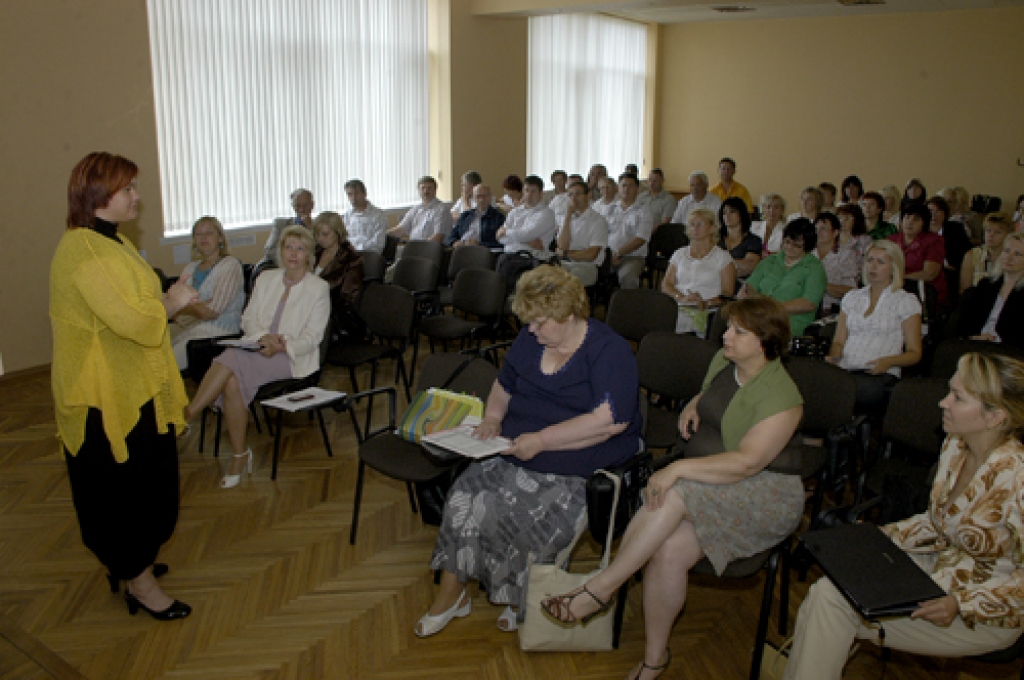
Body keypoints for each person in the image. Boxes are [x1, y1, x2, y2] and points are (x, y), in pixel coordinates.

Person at [541, 297, 805, 680]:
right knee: (667, 551)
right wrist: (694, 404)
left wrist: (679, 467)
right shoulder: (726, 361)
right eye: (728, 327)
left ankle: (601, 588)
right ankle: (655, 658)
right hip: (717, 482)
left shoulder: (783, 398)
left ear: (765, 341)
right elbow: (713, 391)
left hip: (765, 494)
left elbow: (748, 462)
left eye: (737, 332)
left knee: (674, 489)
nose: (725, 336)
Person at [416, 265, 642, 636]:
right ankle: (452, 596)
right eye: (529, 323)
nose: (531, 331)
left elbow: (610, 421)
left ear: (566, 314)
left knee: (531, 518)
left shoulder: (608, 349)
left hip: (577, 462)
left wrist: (542, 440)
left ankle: (517, 596)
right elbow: (503, 385)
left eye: (539, 323)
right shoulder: (531, 338)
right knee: (463, 497)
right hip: (517, 448)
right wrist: (491, 417)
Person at [784, 352, 1024, 680]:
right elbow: (937, 521)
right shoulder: (957, 444)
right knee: (827, 594)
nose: (943, 403)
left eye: (957, 397)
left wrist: (961, 603)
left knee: (830, 607)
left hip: (983, 611)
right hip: (940, 568)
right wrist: (882, 537)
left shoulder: (1018, 478)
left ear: (995, 416)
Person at [51, 152, 197, 620]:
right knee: (123, 492)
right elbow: (135, 322)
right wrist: (172, 303)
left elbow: (131, 303)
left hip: (131, 386)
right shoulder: (86, 252)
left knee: (146, 486)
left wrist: (163, 298)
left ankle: (133, 564)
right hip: (105, 397)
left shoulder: (109, 242)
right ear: (99, 196)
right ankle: (139, 581)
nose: (137, 196)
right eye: (128, 188)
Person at [183, 225, 330, 489]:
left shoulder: (318, 288)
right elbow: (247, 319)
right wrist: (264, 338)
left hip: (291, 358)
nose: (293, 254)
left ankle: (188, 415)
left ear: (309, 255)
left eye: (300, 248)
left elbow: (312, 338)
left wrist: (280, 345)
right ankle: (239, 456)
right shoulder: (266, 278)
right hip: (257, 347)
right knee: (230, 381)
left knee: (231, 358)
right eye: (288, 247)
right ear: (280, 251)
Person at [825, 240, 923, 410]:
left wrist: (889, 362)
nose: (873, 267)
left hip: (880, 375)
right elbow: (839, 342)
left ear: (894, 267)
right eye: (870, 260)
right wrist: (834, 361)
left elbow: (914, 353)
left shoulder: (905, 301)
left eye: (881, 262)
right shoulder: (852, 297)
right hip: (847, 371)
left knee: (837, 394)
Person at [170, 216, 245, 371]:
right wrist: (194, 308)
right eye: (198, 234)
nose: (203, 237)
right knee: (153, 351)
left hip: (218, 335)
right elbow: (173, 309)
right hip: (191, 331)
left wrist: (184, 307)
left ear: (220, 238)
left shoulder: (230, 265)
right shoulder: (190, 268)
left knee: (164, 367)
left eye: (209, 233)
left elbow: (212, 311)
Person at [741, 219, 828, 336]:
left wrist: (773, 309)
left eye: (796, 245)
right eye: (787, 242)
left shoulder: (815, 268)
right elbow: (750, 285)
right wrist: (747, 296)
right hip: (758, 317)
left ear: (807, 247)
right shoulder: (769, 261)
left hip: (789, 323)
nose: (790, 247)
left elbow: (809, 303)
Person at [663, 208, 736, 335]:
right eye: (692, 224)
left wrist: (706, 302)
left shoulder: (722, 257)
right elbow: (666, 284)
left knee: (683, 323)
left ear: (712, 228)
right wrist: (681, 297)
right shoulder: (679, 254)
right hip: (680, 305)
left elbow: (728, 293)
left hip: (709, 310)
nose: (695, 228)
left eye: (700, 224)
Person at [954, 232, 1024, 348]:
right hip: (977, 343)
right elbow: (964, 322)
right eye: (1006, 251)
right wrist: (974, 337)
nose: (1009, 257)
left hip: (1010, 350)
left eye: (1017, 254)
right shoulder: (986, 285)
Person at [312, 211, 364, 334]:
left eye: (325, 234)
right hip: (310, 307)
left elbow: (347, 297)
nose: (320, 238)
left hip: (334, 316)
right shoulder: (314, 252)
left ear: (337, 233)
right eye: (317, 234)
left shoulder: (352, 259)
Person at [890, 203, 948, 310]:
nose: (910, 222)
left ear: (924, 223)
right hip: (894, 289)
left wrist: (898, 279)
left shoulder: (934, 241)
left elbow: (929, 273)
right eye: (907, 217)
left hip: (924, 293)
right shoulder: (891, 241)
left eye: (916, 219)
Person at [555, 179, 609, 287]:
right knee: (542, 279)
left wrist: (566, 253)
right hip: (566, 263)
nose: (573, 198)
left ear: (588, 195)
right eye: (570, 195)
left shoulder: (598, 221)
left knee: (566, 283)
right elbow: (562, 246)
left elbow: (591, 255)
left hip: (587, 266)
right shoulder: (567, 218)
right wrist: (568, 216)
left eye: (578, 194)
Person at [608, 172, 655, 289]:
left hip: (632, 257)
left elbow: (640, 239)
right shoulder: (610, 209)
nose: (626, 189)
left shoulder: (644, 211)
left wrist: (618, 253)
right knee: (592, 270)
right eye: (623, 185)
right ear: (618, 188)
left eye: (630, 186)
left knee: (627, 276)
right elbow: (601, 232)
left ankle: (628, 306)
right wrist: (609, 255)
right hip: (608, 255)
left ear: (637, 189)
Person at [497, 174, 557, 257]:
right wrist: (528, 242)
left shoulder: (546, 213)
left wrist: (505, 231)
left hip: (532, 259)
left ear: (541, 193)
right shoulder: (514, 211)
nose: (529, 194)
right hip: (508, 256)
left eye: (533, 191)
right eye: (526, 190)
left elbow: (526, 235)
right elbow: (501, 239)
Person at [813, 212, 860, 312]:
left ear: (835, 232)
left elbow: (851, 290)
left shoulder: (846, 254)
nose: (818, 232)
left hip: (833, 309)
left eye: (823, 229)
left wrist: (822, 285)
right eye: (816, 229)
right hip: (808, 307)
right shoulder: (807, 253)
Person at [389, 175, 452, 244]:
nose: (426, 191)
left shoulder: (442, 210)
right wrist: (384, 234)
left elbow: (438, 237)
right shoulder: (415, 209)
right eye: (423, 188)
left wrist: (418, 247)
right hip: (414, 247)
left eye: (429, 188)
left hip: (432, 249)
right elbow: (400, 229)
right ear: (419, 190)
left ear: (435, 189)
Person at [260, 188, 314, 266]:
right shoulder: (280, 224)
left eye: (305, 205)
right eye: (298, 205)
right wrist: (290, 260)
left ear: (312, 205)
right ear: (293, 206)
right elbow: (269, 251)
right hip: (284, 267)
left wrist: (311, 228)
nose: (301, 209)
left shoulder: (320, 227)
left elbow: (319, 251)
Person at [961, 212, 1014, 291]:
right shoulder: (972, 255)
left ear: (1008, 235)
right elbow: (965, 291)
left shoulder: (1013, 258)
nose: (991, 235)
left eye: (997, 232)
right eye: (988, 230)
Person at [445, 184, 505, 249]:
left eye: (485, 196)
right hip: (461, 248)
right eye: (478, 196)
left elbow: (501, 243)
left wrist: (479, 244)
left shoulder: (498, 217)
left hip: (481, 251)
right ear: (473, 198)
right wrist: (454, 242)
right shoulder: (465, 215)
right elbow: (451, 236)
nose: (481, 199)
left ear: (490, 197)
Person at [718, 197, 762, 279]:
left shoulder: (753, 240)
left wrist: (719, 264)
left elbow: (749, 267)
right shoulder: (716, 238)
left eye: (732, 211)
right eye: (724, 212)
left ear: (741, 214)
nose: (727, 215)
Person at [928, 195, 972, 276]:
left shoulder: (956, 229)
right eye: (930, 211)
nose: (933, 215)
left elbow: (966, 253)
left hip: (951, 272)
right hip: (927, 272)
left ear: (945, 214)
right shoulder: (921, 231)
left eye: (938, 211)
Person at [343, 179, 388, 253]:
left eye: (356, 193)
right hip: (351, 255)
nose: (353, 198)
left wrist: (355, 248)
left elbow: (378, 245)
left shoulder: (378, 215)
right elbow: (344, 239)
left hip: (370, 256)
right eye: (350, 194)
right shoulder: (348, 216)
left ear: (365, 194)